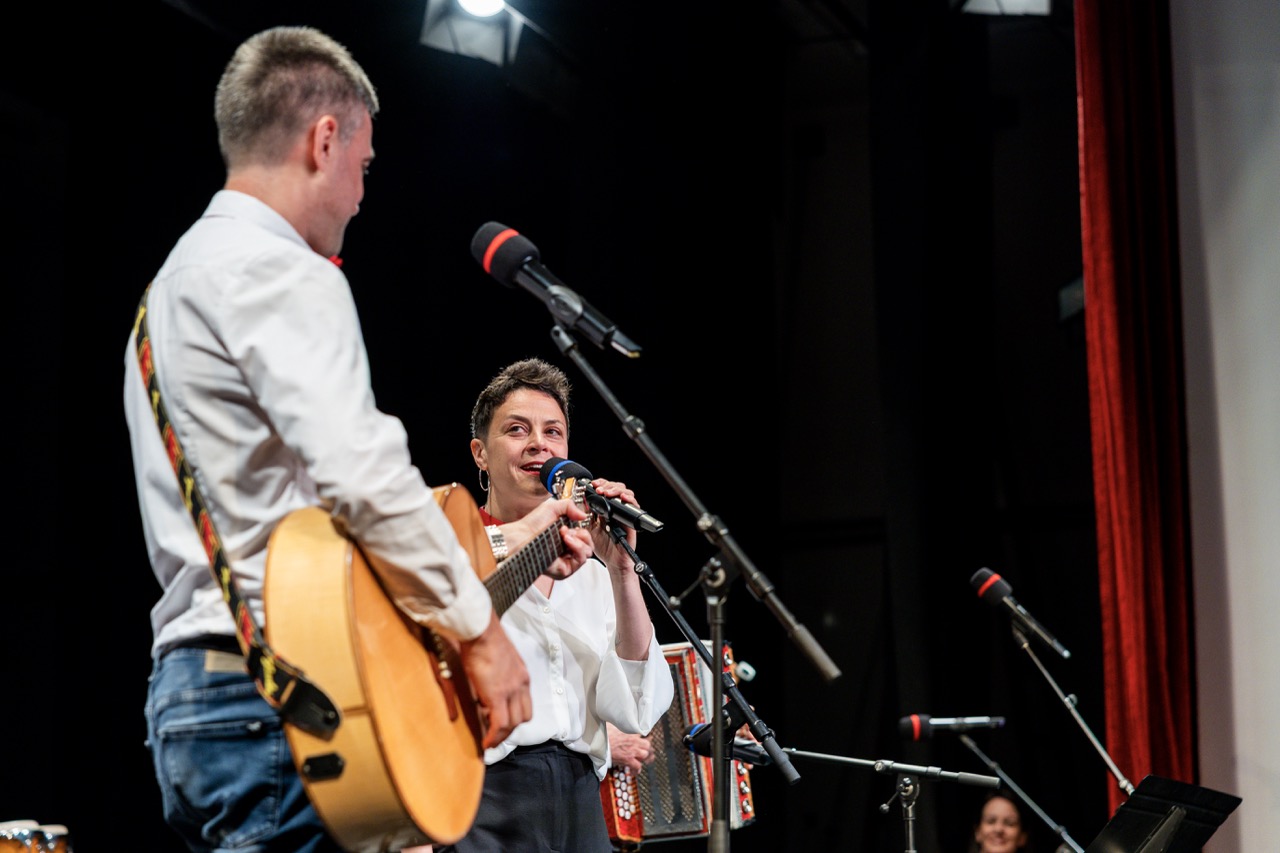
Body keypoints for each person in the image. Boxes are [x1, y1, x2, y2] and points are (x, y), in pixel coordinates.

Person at [123, 27, 594, 853]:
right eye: (363, 166)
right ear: (324, 140)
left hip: (193, 694)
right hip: (288, 696)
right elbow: (363, 476)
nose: (360, 196)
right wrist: (479, 632)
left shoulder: (164, 295)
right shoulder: (282, 269)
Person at [428, 357, 676, 853]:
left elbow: (634, 707)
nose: (538, 443)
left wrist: (621, 570)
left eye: (553, 432)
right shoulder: (447, 548)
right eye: (516, 430)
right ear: (480, 453)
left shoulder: (592, 574)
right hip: (486, 800)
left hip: (580, 801)